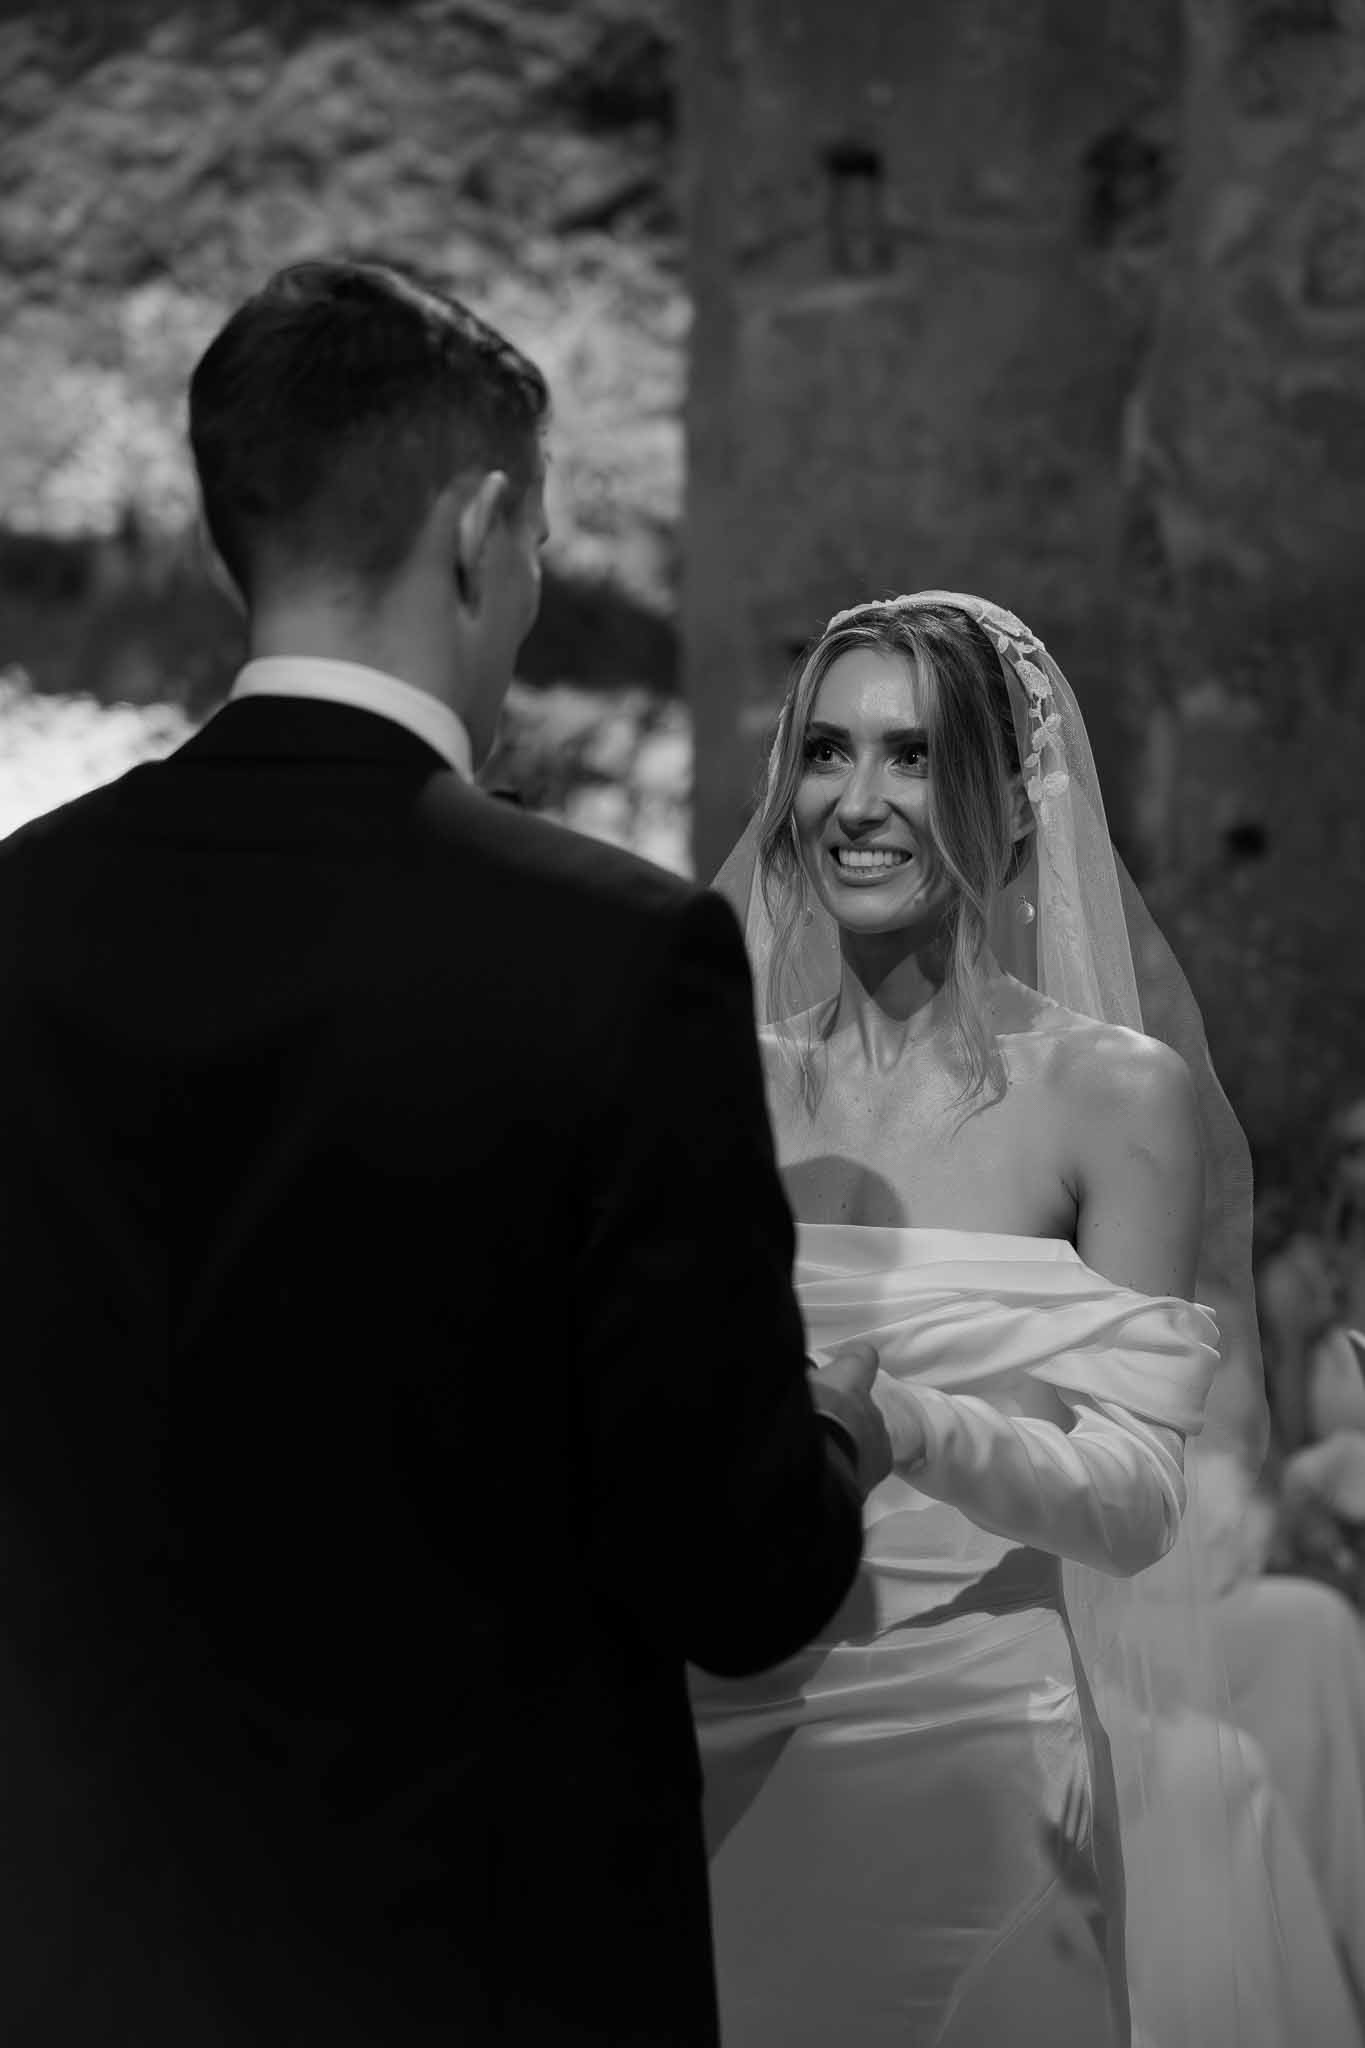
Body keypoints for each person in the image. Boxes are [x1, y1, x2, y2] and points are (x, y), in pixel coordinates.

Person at [0, 258, 892, 2046]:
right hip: (487, 1967)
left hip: (86, 1961)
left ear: (219, 540)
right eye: (548, 543)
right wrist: (838, 1442)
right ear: (483, 530)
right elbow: (730, 1571)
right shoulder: (613, 951)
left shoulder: (23, 918)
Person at [697, 591, 1363, 2046]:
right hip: (716, 1727)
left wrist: (911, 1428)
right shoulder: (706, 1079)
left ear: (1011, 812)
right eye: (824, 751)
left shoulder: (1111, 1094)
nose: (855, 802)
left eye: (914, 758)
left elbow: (1136, 1503)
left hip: (976, 1753)